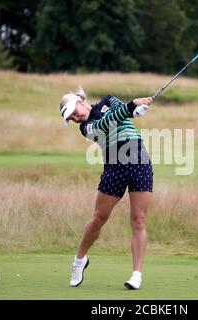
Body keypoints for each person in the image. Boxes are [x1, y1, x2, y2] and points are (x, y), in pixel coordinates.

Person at [59, 87, 154, 290]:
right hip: (114, 165)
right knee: (98, 218)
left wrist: (136, 111)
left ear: (79, 101)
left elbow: (120, 111)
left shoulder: (108, 100)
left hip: (139, 158)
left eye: (74, 112)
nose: (75, 118)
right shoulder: (87, 128)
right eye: (72, 118)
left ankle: (136, 274)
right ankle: (79, 260)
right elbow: (106, 123)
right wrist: (131, 107)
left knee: (139, 219)